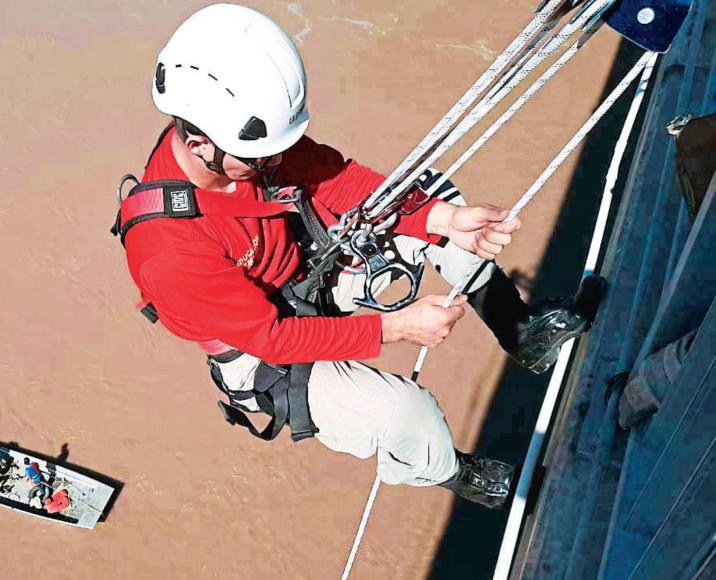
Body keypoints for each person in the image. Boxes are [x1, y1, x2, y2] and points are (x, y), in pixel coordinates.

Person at [114, 3, 604, 508]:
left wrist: (442, 222)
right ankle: (448, 470)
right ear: (198, 145)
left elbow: (337, 179)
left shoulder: (245, 144)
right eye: (265, 158)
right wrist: (397, 328)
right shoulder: (168, 250)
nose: (278, 162)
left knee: (428, 197)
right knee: (404, 415)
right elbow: (273, 337)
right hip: (258, 345)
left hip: (303, 271)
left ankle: (520, 332)